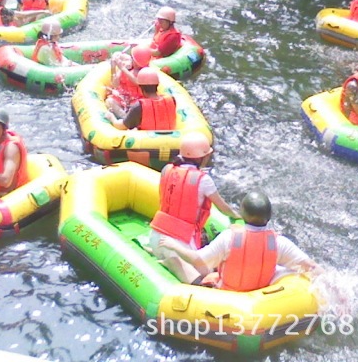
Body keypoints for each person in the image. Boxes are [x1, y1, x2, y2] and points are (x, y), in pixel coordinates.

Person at [158, 191, 319, 289]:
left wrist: (174, 246)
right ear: (269, 217)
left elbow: (197, 260)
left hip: (227, 297)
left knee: (175, 260)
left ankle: (164, 261)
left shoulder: (229, 238)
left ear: (242, 215)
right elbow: (311, 266)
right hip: (259, 296)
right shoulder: (278, 243)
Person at [147, 132, 238, 281]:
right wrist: (237, 216)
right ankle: (171, 263)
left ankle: (158, 254)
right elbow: (223, 208)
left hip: (156, 236)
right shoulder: (204, 180)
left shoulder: (166, 169)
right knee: (208, 274)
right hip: (179, 247)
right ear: (203, 157)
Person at [106, 68, 176, 131]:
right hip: (171, 141)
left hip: (146, 142)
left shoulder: (139, 106)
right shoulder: (172, 100)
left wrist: (111, 117)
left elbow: (121, 126)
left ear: (141, 88)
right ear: (157, 85)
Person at [105, 45, 152, 117]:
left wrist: (123, 68)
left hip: (138, 101)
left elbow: (138, 82)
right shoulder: (127, 65)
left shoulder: (146, 72)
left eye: (138, 63)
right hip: (124, 98)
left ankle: (128, 119)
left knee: (135, 107)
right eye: (134, 61)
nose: (136, 64)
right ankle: (124, 117)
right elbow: (115, 84)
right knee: (109, 102)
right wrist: (114, 67)